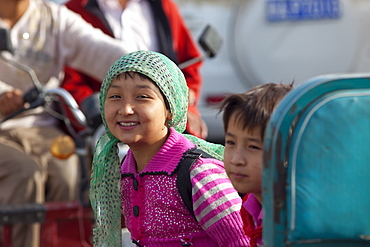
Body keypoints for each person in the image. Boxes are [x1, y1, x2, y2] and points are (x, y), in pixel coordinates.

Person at [0, 0, 128, 246]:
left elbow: (103, 51)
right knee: (23, 173)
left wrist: (154, 70)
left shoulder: (54, 19)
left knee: (68, 169)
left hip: (41, 127)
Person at [91, 50, 249, 246]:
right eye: (115, 96)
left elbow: (241, 242)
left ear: (170, 108)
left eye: (142, 97)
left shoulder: (198, 174)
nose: (125, 109)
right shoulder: (126, 169)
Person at [62, 0, 208, 139]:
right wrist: (99, 114)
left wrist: (185, 106)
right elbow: (70, 81)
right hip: (109, 127)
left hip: (167, 121)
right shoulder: (73, 11)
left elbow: (189, 64)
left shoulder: (163, 5)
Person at [218, 82, 294, 247]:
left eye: (253, 146)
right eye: (231, 142)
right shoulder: (253, 203)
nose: (236, 159)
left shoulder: (293, 217)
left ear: (289, 153)